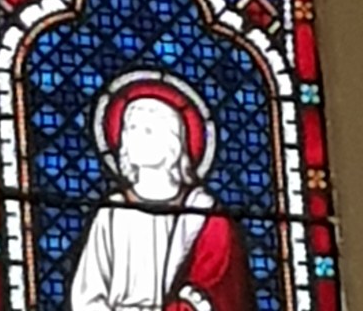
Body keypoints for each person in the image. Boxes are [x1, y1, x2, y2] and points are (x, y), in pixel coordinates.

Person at [70, 94, 251, 311]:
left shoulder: (203, 213)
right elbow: (87, 297)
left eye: (147, 130)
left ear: (172, 143)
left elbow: (222, 291)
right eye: (130, 128)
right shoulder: (112, 212)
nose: (134, 138)